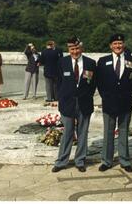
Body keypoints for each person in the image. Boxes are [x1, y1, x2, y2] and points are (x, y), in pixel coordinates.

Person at [52, 36, 96, 173]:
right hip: (67, 103)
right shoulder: (62, 62)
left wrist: (86, 95)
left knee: (82, 132)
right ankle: (61, 161)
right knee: (67, 133)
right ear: (68, 49)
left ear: (81, 48)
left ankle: (80, 160)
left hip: (84, 103)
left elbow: (93, 84)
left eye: (77, 48)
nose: (75, 51)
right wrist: (61, 98)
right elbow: (58, 83)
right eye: (72, 49)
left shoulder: (91, 63)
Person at [97, 34, 132, 173]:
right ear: (110, 46)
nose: (118, 46)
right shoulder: (103, 61)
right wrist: (105, 96)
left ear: (124, 44)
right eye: (115, 43)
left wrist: (128, 94)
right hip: (109, 103)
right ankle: (106, 161)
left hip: (125, 102)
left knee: (123, 132)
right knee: (108, 133)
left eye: (120, 43)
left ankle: (124, 160)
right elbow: (99, 82)